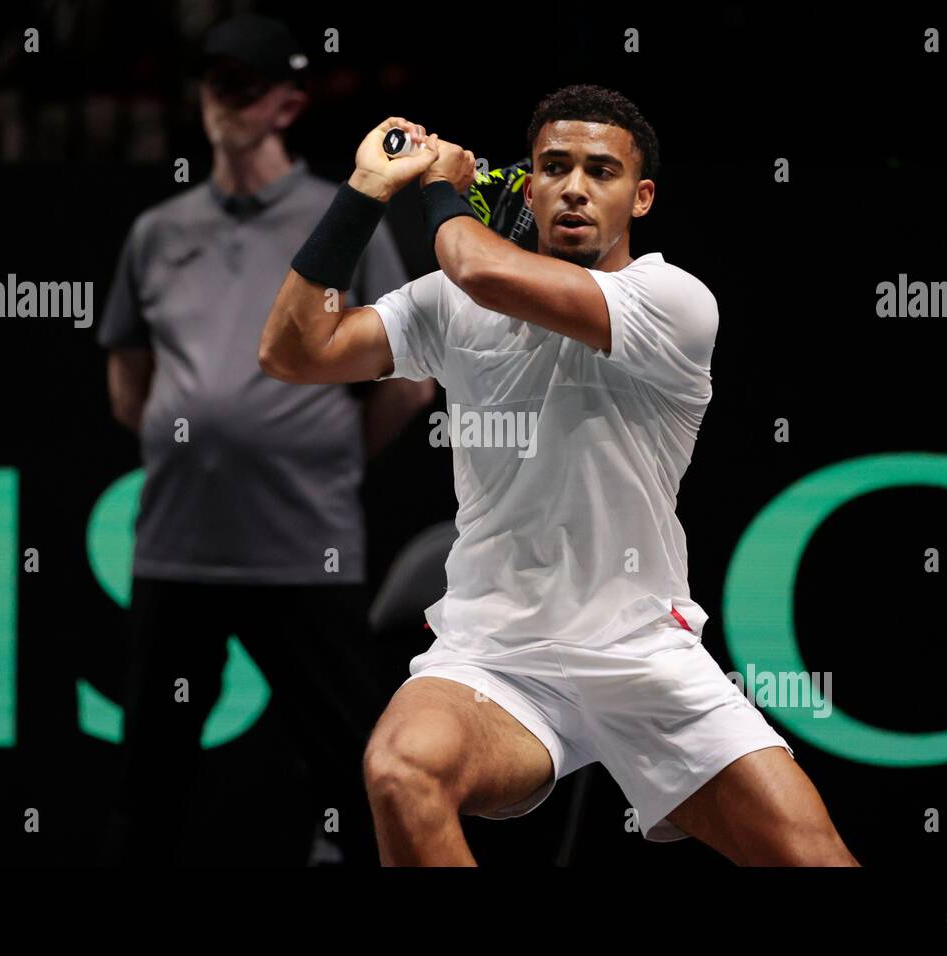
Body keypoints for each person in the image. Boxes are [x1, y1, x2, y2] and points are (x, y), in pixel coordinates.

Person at [259, 83, 857, 866]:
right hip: (493, 659)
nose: (576, 186)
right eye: (556, 167)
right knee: (401, 772)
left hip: (645, 656)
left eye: (602, 172)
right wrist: (367, 190)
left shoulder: (673, 303)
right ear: (529, 185)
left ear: (640, 197)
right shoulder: (450, 302)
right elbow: (294, 350)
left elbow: (479, 268)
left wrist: (438, 186)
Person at [96, 14, 434, 866]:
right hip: (178, 549)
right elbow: (129, 386)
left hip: (300, 546)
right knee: (148, 780)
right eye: (214, 82)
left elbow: (410, 376)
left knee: (358, 768)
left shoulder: (342, 218)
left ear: (289, 100)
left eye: (245, 85)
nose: (224, 102)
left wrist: (324, 459)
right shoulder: (158, 232)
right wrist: (199, 438)